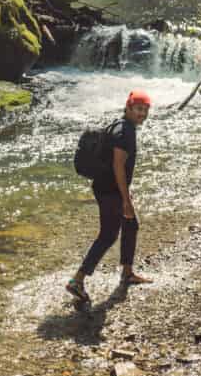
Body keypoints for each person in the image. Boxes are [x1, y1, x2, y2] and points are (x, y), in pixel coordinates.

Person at [66, 89, 154, 306]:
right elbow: (118, 166)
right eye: (139, 109)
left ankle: (127, 272)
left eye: (145, 110)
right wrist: (126, 199)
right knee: (108, 235)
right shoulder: (125, 132)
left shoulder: (118, 125)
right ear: (129, 107)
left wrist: (125, 196)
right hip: (110, 190)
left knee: (131, 224)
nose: (142, 114)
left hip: (106, 187)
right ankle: (77, 280)